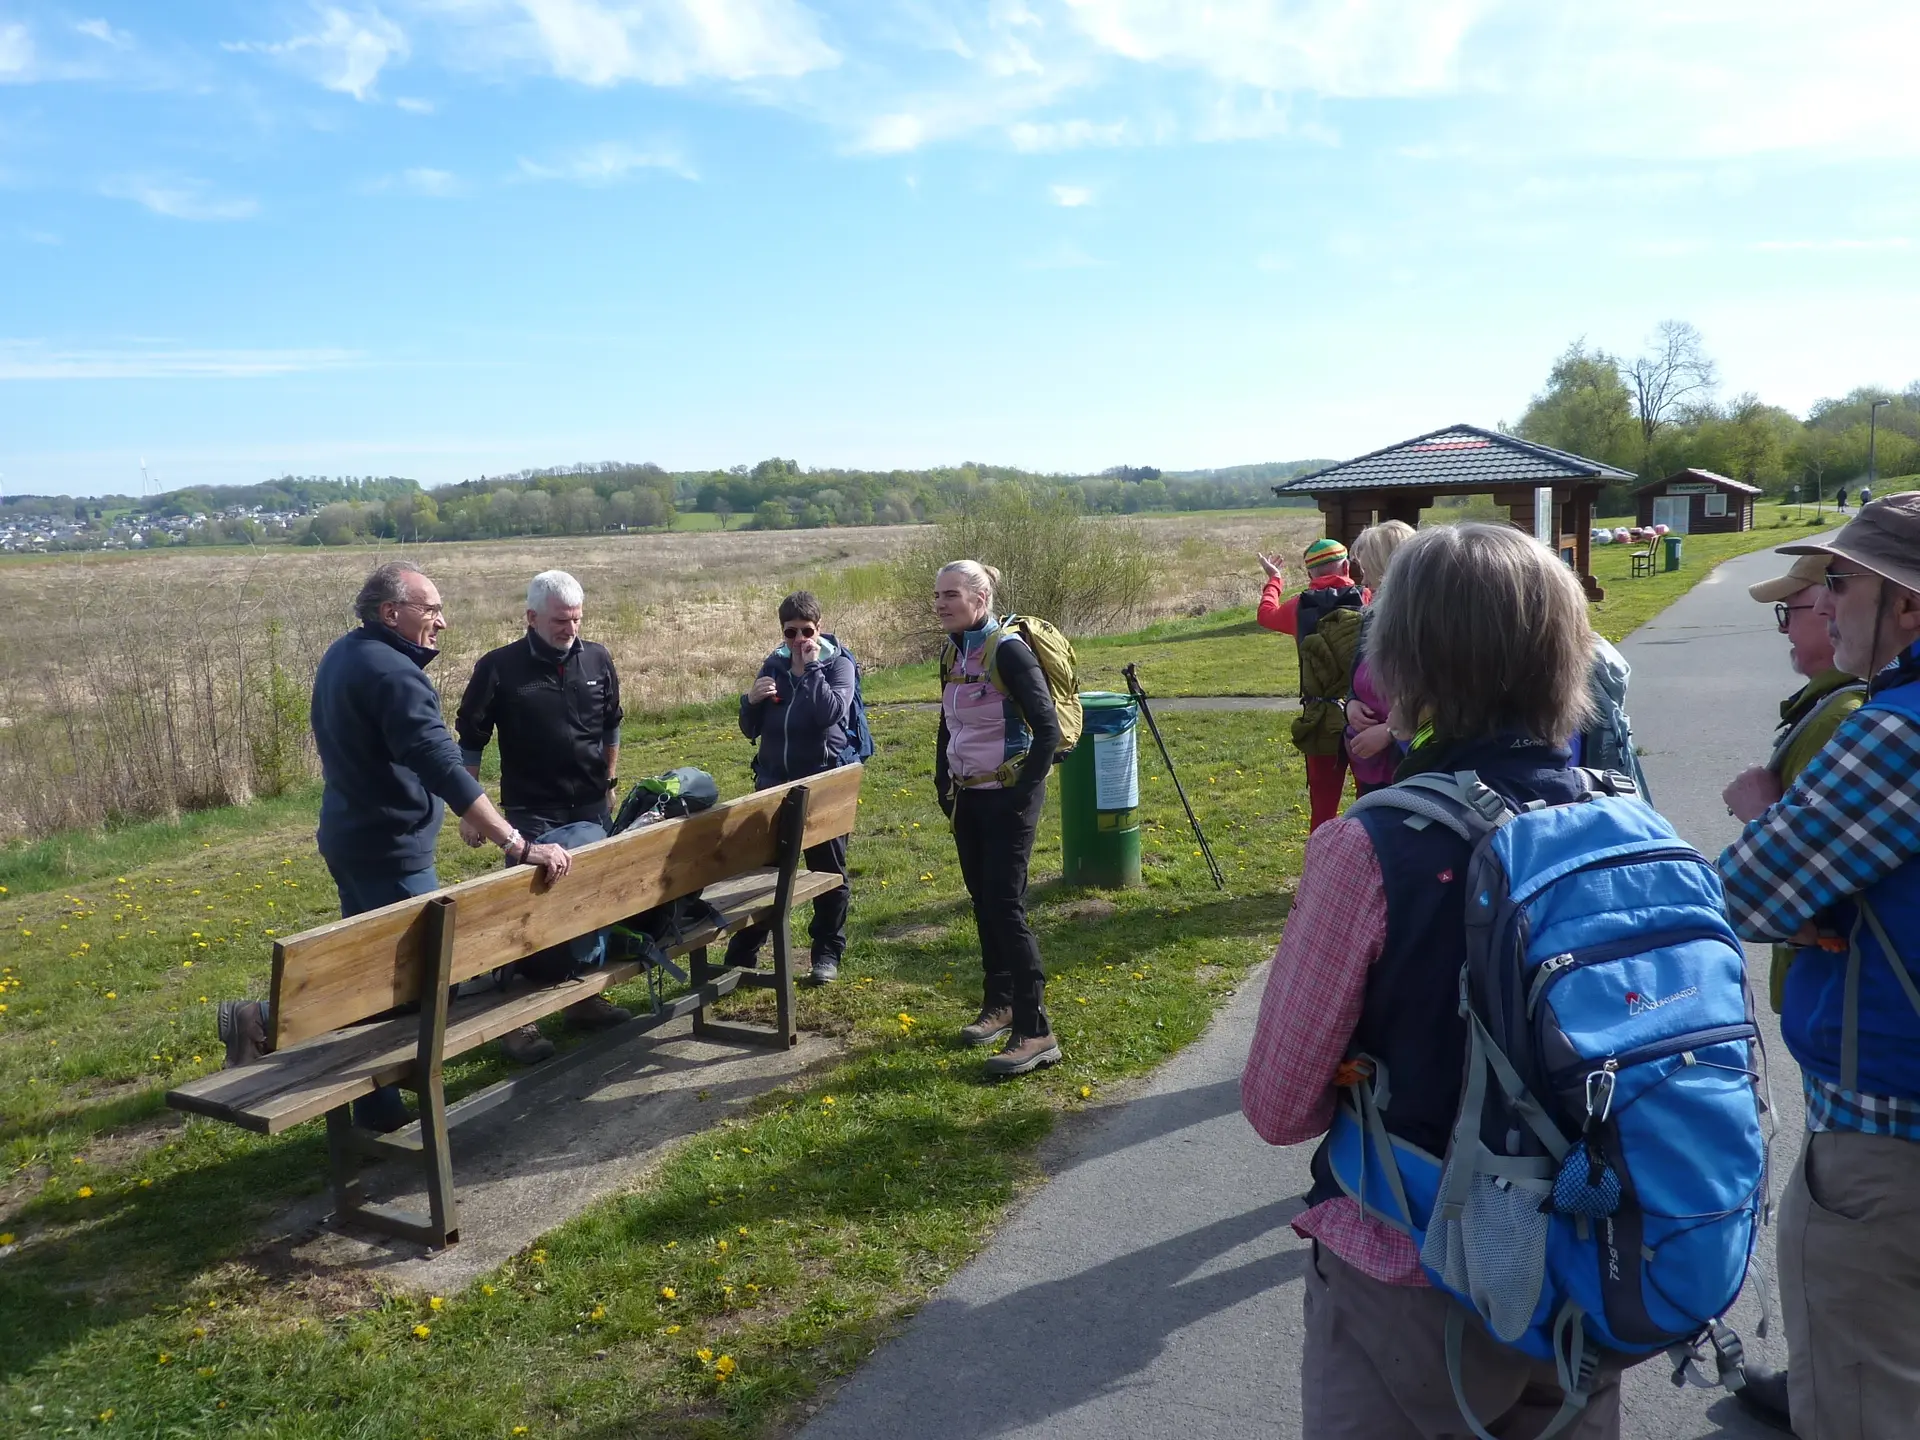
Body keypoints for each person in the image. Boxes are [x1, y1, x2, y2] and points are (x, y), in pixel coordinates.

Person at [1242, 522, 1623, 1439]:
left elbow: (1278, 1106)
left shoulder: (1368, 849)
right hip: (1596, 1269)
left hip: (1416, 1275)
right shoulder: (1623, 821)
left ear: (1406, 657)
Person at [217, 561, 571, 1132]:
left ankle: (376, 1110)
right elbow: (442, 764)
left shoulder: (346, 654)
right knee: (418, 977)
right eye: (430, 609)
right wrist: (514, 840)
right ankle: (261, 1017)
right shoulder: (395, 675)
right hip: (389, 847)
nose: (442, 621)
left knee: (373, 974)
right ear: (392, 613)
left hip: (352, 835)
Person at [1717, 494, 1920, 1439]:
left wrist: (1768, 826)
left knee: (1862, 1395)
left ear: (1908, 605)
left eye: (1840, 581)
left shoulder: (1895, 734)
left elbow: (1749, 894)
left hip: (1889, 1124)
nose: (1826, 602)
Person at [455, 570, 629, 1063]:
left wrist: (610, 783)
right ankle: (517, 1018)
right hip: (531, 814)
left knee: (590, 908)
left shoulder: (597, 658)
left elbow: (612, 723)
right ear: (531, 617)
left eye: (576, 619)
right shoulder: (499, 668)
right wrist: (471, 810)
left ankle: (581, 997)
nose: (569, 628)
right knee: (527, 914)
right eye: (559, 620)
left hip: (592, 805)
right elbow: (470, 739)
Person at [1722, 551, 1865, 1022]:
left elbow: (1792, 881)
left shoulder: (1839, 720)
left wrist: (1763, 814)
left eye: (1790, 610)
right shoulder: (1837, 705)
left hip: (1836, 1001)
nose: (1784, 628)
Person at [934, 560, 1062, 1077]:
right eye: (937, 595)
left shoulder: (1008, 651)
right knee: (983, 901)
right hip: (969, 797)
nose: (940, 604)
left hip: (1007, 797)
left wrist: (1020, 793)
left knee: (1006, 905)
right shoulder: (952, 652)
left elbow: (1048, 731)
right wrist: (942, 781)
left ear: (979, 599)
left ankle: (1036, 1030)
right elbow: (949, 722)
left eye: (950, 595)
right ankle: (1000, 1003)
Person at [726, 590, 857, 985]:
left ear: (819, 628)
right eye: (790, 633)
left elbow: (831, 713)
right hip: (774, 786)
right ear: (781, 632)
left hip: (821, 785)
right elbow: (751, 729)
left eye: (807, 631)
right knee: (766, 873)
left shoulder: (838, 664)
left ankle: (826, 954)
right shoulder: (774, 665)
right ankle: (742, 954)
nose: (799, 640)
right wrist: (750, 701)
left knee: (828, 872)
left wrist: (813, 668)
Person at [1257, 537, 1370, 830]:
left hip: (1320, 719)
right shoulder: (1368, 600)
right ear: (1347, 566)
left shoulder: (1297, 606)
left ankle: (1320, 868)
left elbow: (1265, 615)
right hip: (1368, 717)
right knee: (1371, 802)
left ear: (1309, 575)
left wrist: (1275, 580)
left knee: (1323, 809)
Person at [1341, 521, 1415, 798]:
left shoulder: (1424, 623)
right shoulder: (1371, 615)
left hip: (1410, 764)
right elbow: (1356, 675)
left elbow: (1441, 694)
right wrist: (1350, 704)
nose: (1363, 581)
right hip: (1370, 766)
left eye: (1368, 568)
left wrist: (1389, 732)